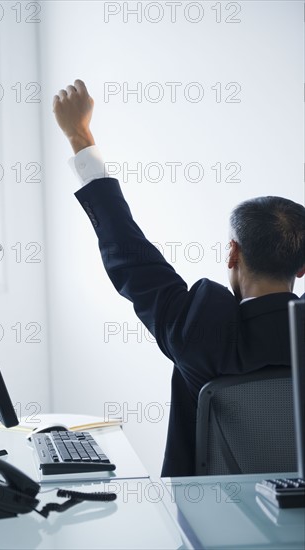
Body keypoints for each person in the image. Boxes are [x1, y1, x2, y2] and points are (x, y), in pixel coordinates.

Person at [53, 79, 305, 476]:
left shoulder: (200, 327)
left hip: (207, 525)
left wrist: (79, 135)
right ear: (301, 266)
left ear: (233, 253)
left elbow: (127, 250)